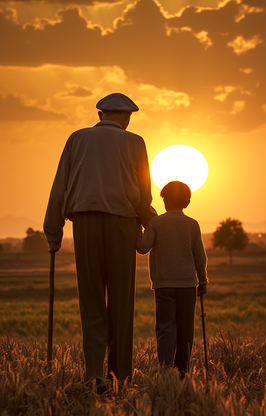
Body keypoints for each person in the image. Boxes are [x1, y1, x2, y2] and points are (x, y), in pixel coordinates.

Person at [44, 92, 156, 391]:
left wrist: (53, 232)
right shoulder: (135, 142)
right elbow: (144, 194)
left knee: (91, 302)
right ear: (127, 119)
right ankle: (120, 377)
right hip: (122, 222)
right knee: (121, 303)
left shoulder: (76, 139)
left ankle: (93, 376)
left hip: (85, 223)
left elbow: (60, 186)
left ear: (100, 116)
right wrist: (155, 226)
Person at [136, 180, 208, 377]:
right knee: (186, 329)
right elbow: (199, 255)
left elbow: (142, 247)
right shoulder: (192, 225)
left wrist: (136, 228)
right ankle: (183, 371)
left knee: (166, 327)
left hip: (163, 284)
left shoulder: (156, 223)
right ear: (187, 201)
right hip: (187, 284)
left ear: (165, 200)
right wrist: (203, 280)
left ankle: (165, 369)